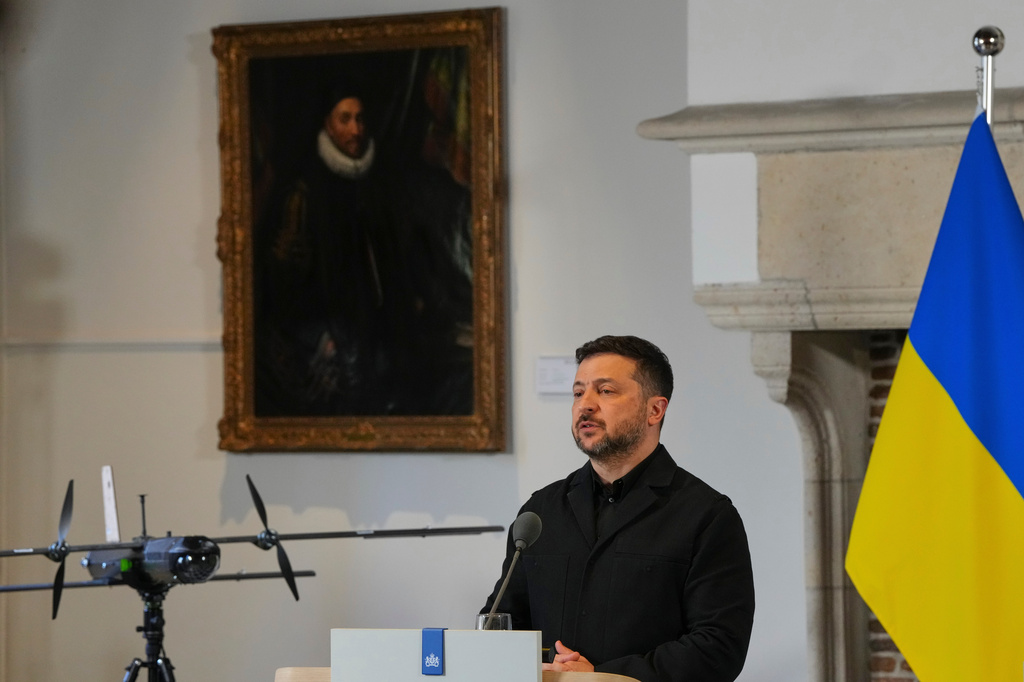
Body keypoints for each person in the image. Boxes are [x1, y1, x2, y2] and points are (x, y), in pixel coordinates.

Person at [481, 335, 755, 682]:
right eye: (579, 392)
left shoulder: (706, 516)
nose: (586, 405)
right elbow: (500, 624)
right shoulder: (540, 513)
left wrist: (601, 676)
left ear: (655, 409)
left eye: (605, 391)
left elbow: (718, 647)